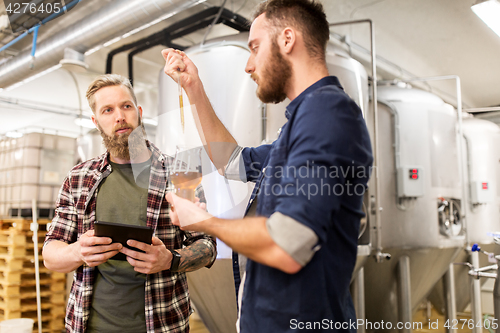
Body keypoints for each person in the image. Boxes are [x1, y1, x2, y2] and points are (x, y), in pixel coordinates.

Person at [162, 0, 373, 332]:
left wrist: (205, 221)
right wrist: (194, 89)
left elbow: (286, 243)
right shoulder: (300, 123)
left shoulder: (327, 114)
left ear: (287, 40)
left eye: (255, 48)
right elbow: (232, 161)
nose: (248, 65)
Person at [42, 74, 217, 333]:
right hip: (89, 325)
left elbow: (207, 244)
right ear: (96, 121)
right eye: (108, 110)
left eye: (126, 106)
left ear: (139, 111)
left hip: (163, 324)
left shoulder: (179, 174)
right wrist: (78, 251)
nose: (120, 117)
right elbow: (50, 254)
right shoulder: (79, 179)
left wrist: (170, 259)